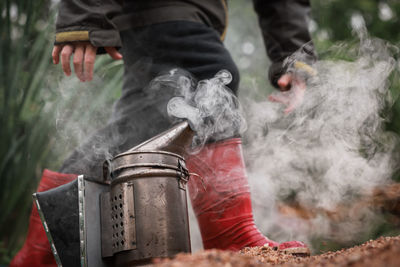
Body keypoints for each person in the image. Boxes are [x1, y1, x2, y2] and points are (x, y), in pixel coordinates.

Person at [11, 0, 317, 266]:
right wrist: (85, 16)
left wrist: (294, 54)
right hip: (160, 10)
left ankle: (41, 257)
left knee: (137, 129)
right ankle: (233, 237)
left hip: (182, 15)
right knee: (208, 76)